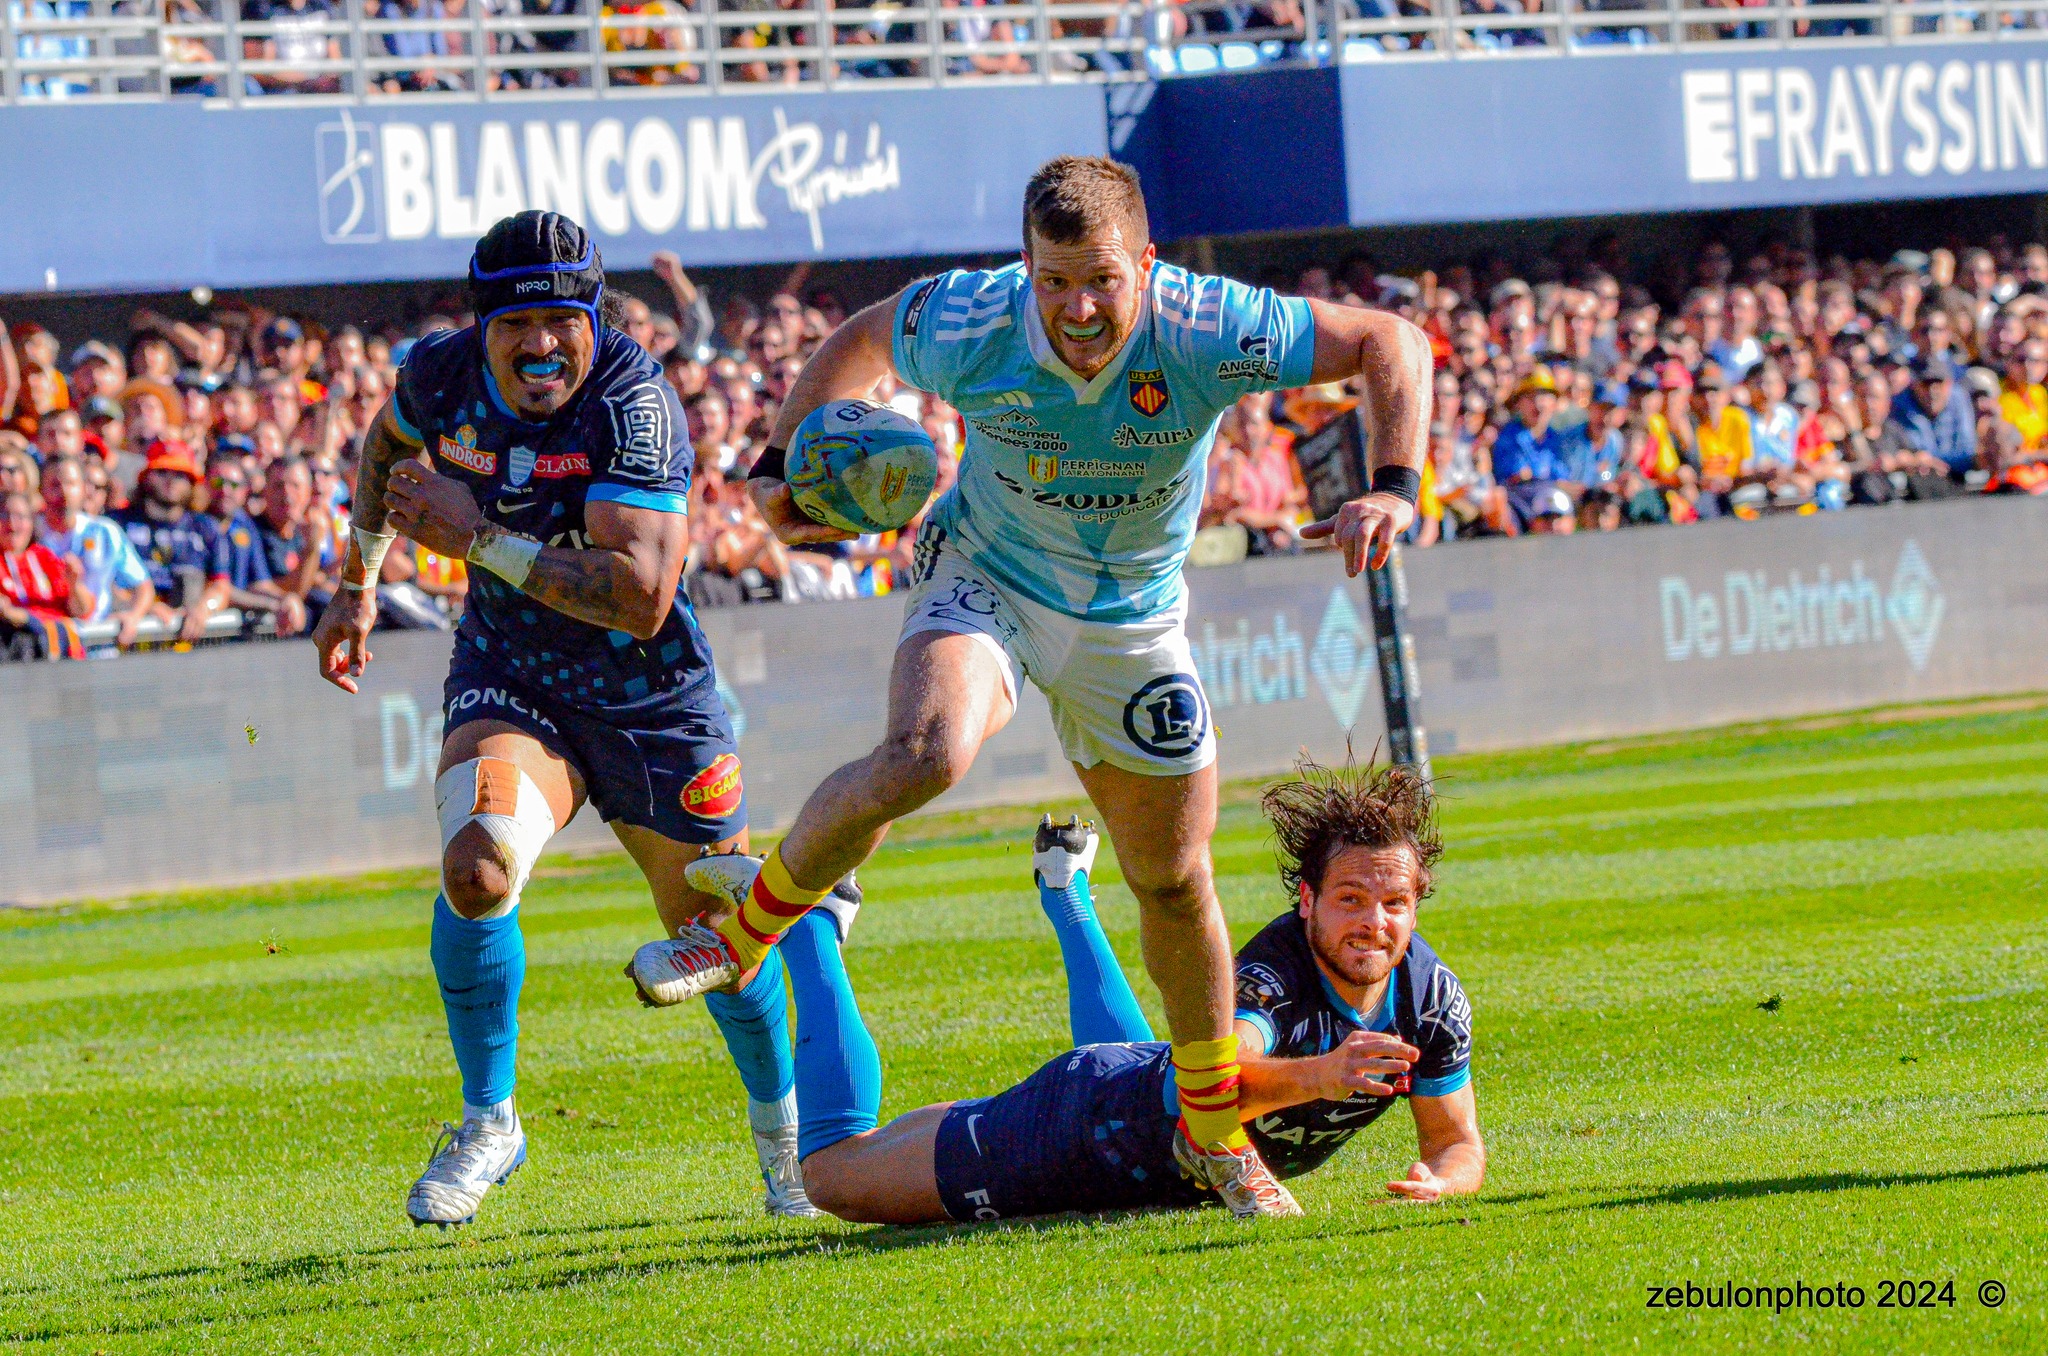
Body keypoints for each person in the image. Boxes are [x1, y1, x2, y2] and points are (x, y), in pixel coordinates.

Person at [627, 155, 1432, 1220]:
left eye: (1100, 278)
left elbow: (1393, 340)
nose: (1077, 307)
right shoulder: (971, 318)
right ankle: (736, 938)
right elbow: (863, 336)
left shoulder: (1206, 325)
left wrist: (1391, 486)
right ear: (1024, 267)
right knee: (926, 752)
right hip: (987, 577)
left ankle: (1210, 1129)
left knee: (1170, 875)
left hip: (1132, 618)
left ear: (1145, 265)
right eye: (1053, 281)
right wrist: (780, 464)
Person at [309, 211, 833, 1229]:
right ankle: (490, 1120)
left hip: (650, 696)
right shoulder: (440, 374)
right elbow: (383, 448)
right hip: (513, 671)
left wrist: (480, 542)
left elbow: (640, 594)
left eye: (562, 318)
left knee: (714, 935)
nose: (540, 342)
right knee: (476, 868)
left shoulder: (635, 403)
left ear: (594, 314)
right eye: (517, 323)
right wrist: (356, 585)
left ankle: (787, 1152)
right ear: (481, 324)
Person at [784, 759, 1484, 1225]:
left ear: (1416, 906)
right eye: (1352, 898)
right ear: (1308, 901)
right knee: (833, 1178)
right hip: (1083, 1136)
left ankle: (1066, 890)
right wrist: (1323, 1075)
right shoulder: (1274, 976)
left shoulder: (1430, 1000)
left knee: (981, 1113)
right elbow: (1205, 1083)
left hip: (1135, 1096)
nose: (1374, 923)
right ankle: (811, 921)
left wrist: (1441, 1180)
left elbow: (1456, 1142)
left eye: (1395, 903)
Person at [113, 441, 228, 644]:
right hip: (130, 641)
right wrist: (142, 606)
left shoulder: (206, 528)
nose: (171, 481)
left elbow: (221, 586)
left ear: (192, 482)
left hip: (188, 644)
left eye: (180, 475)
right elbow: (102, 581)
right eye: (162, 472)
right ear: (146, 476)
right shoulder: (117, 524)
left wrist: (204, 608)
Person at [39, 456, 156, 648]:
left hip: (99, 646)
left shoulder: (104, 532)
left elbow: (143, 585)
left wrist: (133, 617)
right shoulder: (26, 533)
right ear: (41, 490)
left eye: (71, 483)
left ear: (84, 488)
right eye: (54, 484)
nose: (63, 492)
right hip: (49, 648)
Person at [1, 489, 93, 661]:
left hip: (58, 658)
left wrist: (74, 584)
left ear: (31, 522)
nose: (12, 525)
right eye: (5, 516)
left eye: (20, 517)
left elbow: (81, 611)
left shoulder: (45, 558)